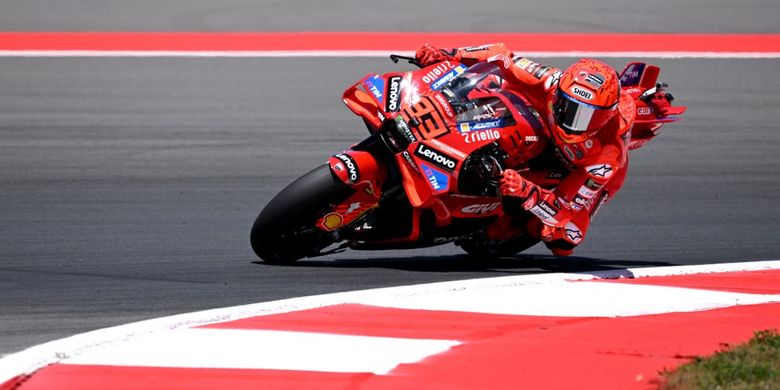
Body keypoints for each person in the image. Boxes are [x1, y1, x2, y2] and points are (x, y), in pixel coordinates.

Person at [415, 43, 637, 256]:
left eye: (589, 116)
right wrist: (450, 54)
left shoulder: (608, 155)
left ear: (607, 116)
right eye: (568, 107)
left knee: (563, 237)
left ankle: (512, 223)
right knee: (492, 82)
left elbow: (564, 211)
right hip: (540, 131)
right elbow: (502, 57)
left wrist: (527, 192)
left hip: (576, 170)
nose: (573, 121)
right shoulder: (550, 79)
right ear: (560, 91)